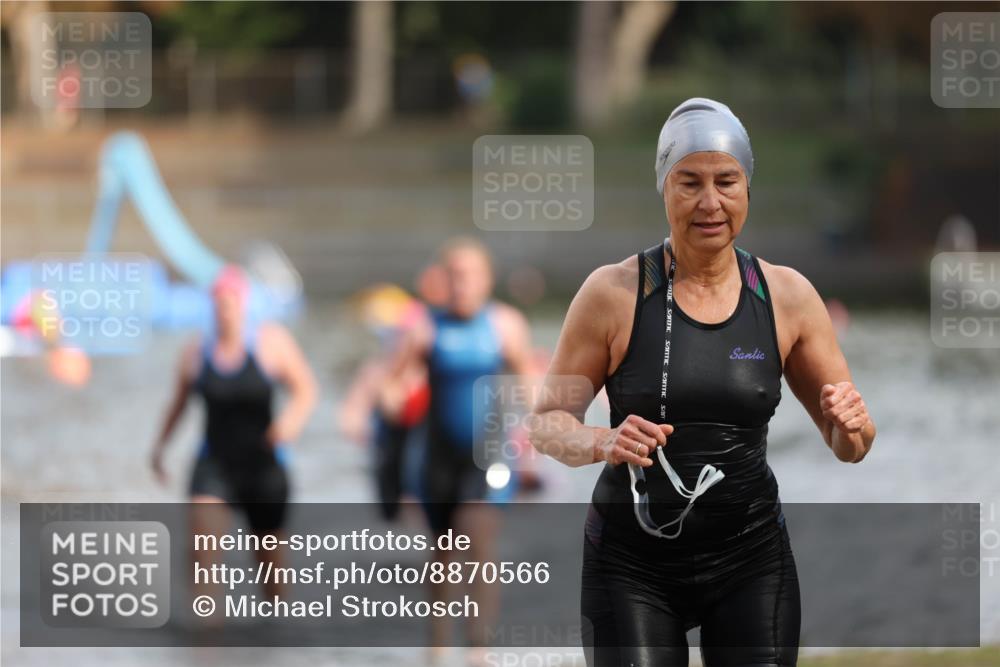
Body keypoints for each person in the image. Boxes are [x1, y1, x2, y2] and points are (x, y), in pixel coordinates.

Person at [529, 98, 876, 667]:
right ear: (664, 187)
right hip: (631, 565)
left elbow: (851, 448)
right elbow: (545, 424)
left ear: (747, 189)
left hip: (751, 558)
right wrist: (600, 441)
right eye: (689, 182)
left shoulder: (786, 296)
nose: (709, 202)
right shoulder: (612, 293)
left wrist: (851, 427)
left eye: (727, 182)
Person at [389, 238, 535, 661]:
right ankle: (436, 647)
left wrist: (533, 444)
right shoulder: (424, 328)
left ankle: (478, 650)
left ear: (487, 280)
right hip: (435, 462)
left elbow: (527, 389)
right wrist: (391, 400)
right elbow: (392, 384)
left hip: (487, 458)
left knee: (479, 542)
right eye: (454, 275)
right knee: (441, 554)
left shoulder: (505, 325)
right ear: (441, 280)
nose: (462, 284)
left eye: (470, 275)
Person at [151, 265, 317, 600]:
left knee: (271, 578)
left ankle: (272, 642)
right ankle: (206, 641)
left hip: (265, 466)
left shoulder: (271, 342)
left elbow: (306, 389)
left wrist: (290, 423)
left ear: (243, 303)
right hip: (214, 464)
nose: (224, 310)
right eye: (218, 302)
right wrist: (159, 449)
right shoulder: (197, 352)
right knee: (203, 558)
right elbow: (178, 405)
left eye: (230, 302)